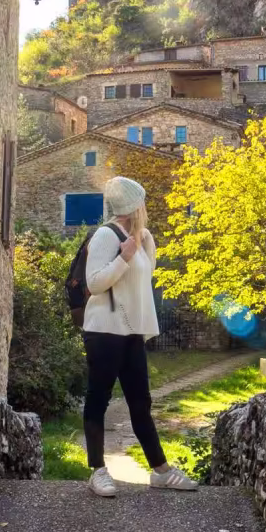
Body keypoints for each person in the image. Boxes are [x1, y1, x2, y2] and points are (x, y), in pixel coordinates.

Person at [82, 176, 197, 498]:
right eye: (141, 201)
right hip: (104, 330)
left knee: (140, 402)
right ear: (134, 205)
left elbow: (143, 281)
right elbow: (94, 283)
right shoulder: (106, 235)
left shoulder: (143, 237)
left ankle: (161, 471)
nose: (144, 206)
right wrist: (124, 257)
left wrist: (143, 246)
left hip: (131, 331)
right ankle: (97, 471)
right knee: (98, 400)